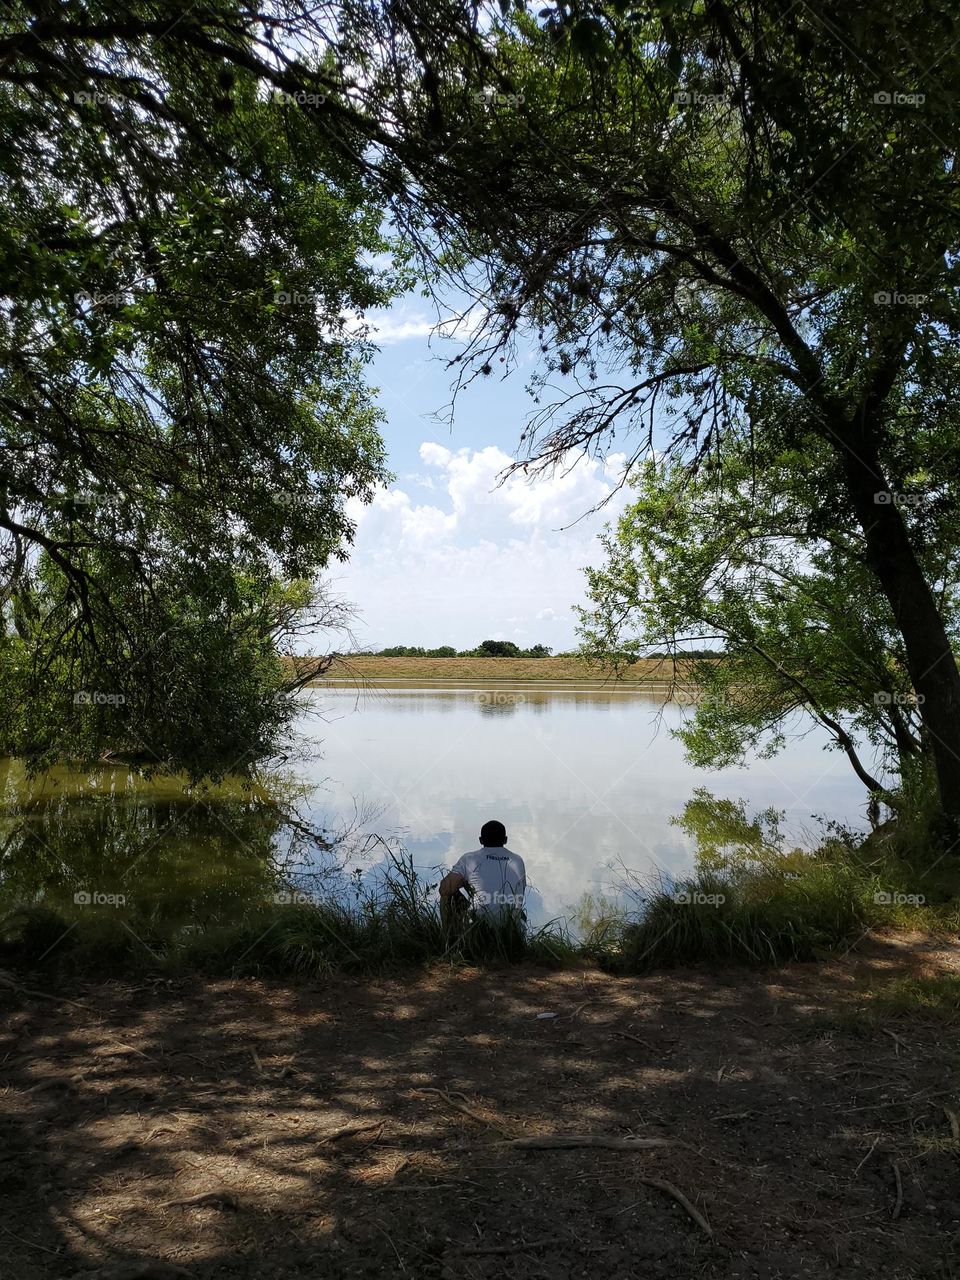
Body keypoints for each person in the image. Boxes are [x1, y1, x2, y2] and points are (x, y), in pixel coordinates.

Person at [438, 819, 526, 928]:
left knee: (448, 896)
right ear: (505, 840)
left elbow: (444, 888)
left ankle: (449, 937)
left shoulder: (469, 859)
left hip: (480, 925)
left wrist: (465, 884)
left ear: (480, 840)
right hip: (510, 925)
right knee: (519, 911)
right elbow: (520, 891)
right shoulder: (517, 860)